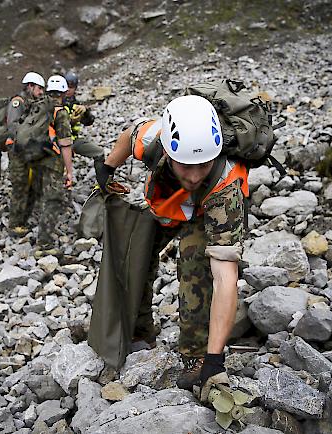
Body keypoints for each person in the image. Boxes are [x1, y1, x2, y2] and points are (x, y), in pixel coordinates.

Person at [95, 94, 249, 391]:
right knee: (134, 252)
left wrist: (215, 361)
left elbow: (225, 278)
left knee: (195, 265)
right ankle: (138, 331)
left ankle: (196, 357)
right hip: (171, 206)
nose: (193, 176)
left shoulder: (225, 185)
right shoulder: (156, 137)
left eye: (203, 165)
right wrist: (108, 166)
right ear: (167, 151)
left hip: (211, 211)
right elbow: (131, 135)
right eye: (185, 166)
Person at [5, 71, 47, 238]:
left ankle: (24, 219)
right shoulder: (18, 103)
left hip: (30, 153)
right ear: (30, 86)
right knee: (20, 186)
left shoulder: (33, 104)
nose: (41, 92)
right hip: (18, 153)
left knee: (32, 186)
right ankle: (14, 225)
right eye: (39, 88)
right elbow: (14, 127)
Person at [60, 70, 104, 161]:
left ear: (75, 88)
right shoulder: (56, 103)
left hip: (73, 140)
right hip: (58, 142)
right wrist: (71, 121)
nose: (68, 89)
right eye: (66, 85)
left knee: (99, 153)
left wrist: (85, 112)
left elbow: (89, 122)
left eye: (71, 86)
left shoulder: (76, 104)